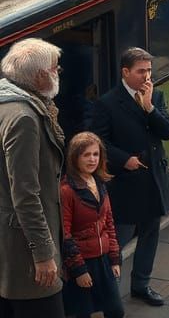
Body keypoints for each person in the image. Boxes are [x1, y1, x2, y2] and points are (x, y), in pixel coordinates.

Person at [90, 47, 169, 307]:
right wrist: (123, 159)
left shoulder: (155, 96)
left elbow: (168, 131)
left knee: (150, 234)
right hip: (125, 184)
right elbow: (99, 140)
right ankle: (110, 293)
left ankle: (141, 285)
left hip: (153, 180)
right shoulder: (107, 102)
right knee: (118, 239)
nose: (147, 76)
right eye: (141, 71)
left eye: (149, 70)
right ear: (125, 72)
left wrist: (150, 108)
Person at [0, 38, 65, 318]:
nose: (58, 72)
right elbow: (26, 194)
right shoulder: (24, 118)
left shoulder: (6, 103)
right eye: (55, 68)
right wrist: (43, 253)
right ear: (40, 76)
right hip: (23, 253)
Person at [60, 132, 123, 318]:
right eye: (86, 155)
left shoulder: (98, 182)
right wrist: (79, 270)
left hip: (103, 259)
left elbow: (109, 222)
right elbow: (65, 233)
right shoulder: (66, 191)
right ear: (75, 157)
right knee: (83, 313)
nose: (92, 159)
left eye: (95, 154)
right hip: (82, 261)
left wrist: (114, 258)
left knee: (116, 310)